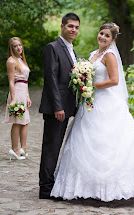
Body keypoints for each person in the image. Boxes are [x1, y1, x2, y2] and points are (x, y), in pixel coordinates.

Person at [50, 23, 134, 201]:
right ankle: (87, 187)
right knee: (85, 140)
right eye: (101, 33)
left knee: (107, 142)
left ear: (112, 40)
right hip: (90, 103)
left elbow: (114, 80)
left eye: (107, 36)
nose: (102, 37)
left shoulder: (109, 55)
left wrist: (90, 86)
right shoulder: (93, 54)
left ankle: (109, 188)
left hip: (106, 101)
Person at [38, 13, 80, 200]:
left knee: (57, 146)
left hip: (68, 107)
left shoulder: (72, 50)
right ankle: (45, 189)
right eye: (70, 26)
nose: (73, 30)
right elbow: (51, 79)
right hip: (57, 109)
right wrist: (57, 107)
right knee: (51, 147)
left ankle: (52, 184)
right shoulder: (52, 48)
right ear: (62, 26)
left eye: (77, 27)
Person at [5, 37, 31, 160]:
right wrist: (13, 99)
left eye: (20, 45)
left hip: (23, 91)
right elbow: (11, 81)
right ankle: (14, 149)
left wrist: (28, 96)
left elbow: (25, 80)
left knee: (25, 122)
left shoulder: (22, 60)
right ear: (11, 48)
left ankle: (23, 148)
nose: (18, 48)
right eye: (15, 46)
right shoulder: (11, 61)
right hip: (17, 92)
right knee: (17, 122)